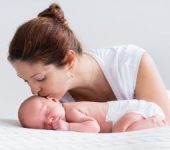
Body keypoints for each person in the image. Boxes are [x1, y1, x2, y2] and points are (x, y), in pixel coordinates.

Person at [8, 3, 170, 131]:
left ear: (69, 60)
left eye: (40, 78)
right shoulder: (54, 107)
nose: (34, 91)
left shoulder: (131, 63)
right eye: (27, 82)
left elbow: (163, 125)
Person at [18, 96, 166, 133]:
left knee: (121, 132)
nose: (49, 120)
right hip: (132, 112)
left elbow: (93, 127)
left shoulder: (71, 110)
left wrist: (69, 126)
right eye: (44, 125)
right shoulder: (66, 111)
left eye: (46, 112)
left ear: (53, 99)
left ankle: (155, 122)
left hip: (135, 110)